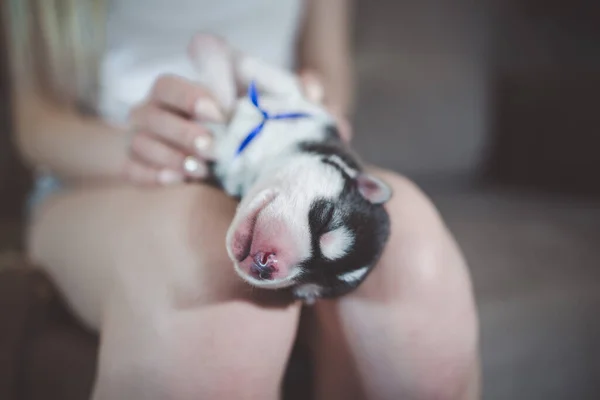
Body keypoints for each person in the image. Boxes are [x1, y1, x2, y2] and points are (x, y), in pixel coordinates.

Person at [5, 0, 481, 399]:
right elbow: (37, 126)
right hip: (100, 175)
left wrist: (317, 102)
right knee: (217, 287)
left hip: (273, 150)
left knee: (414, 253)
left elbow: (328, 65)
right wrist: (140, 145)